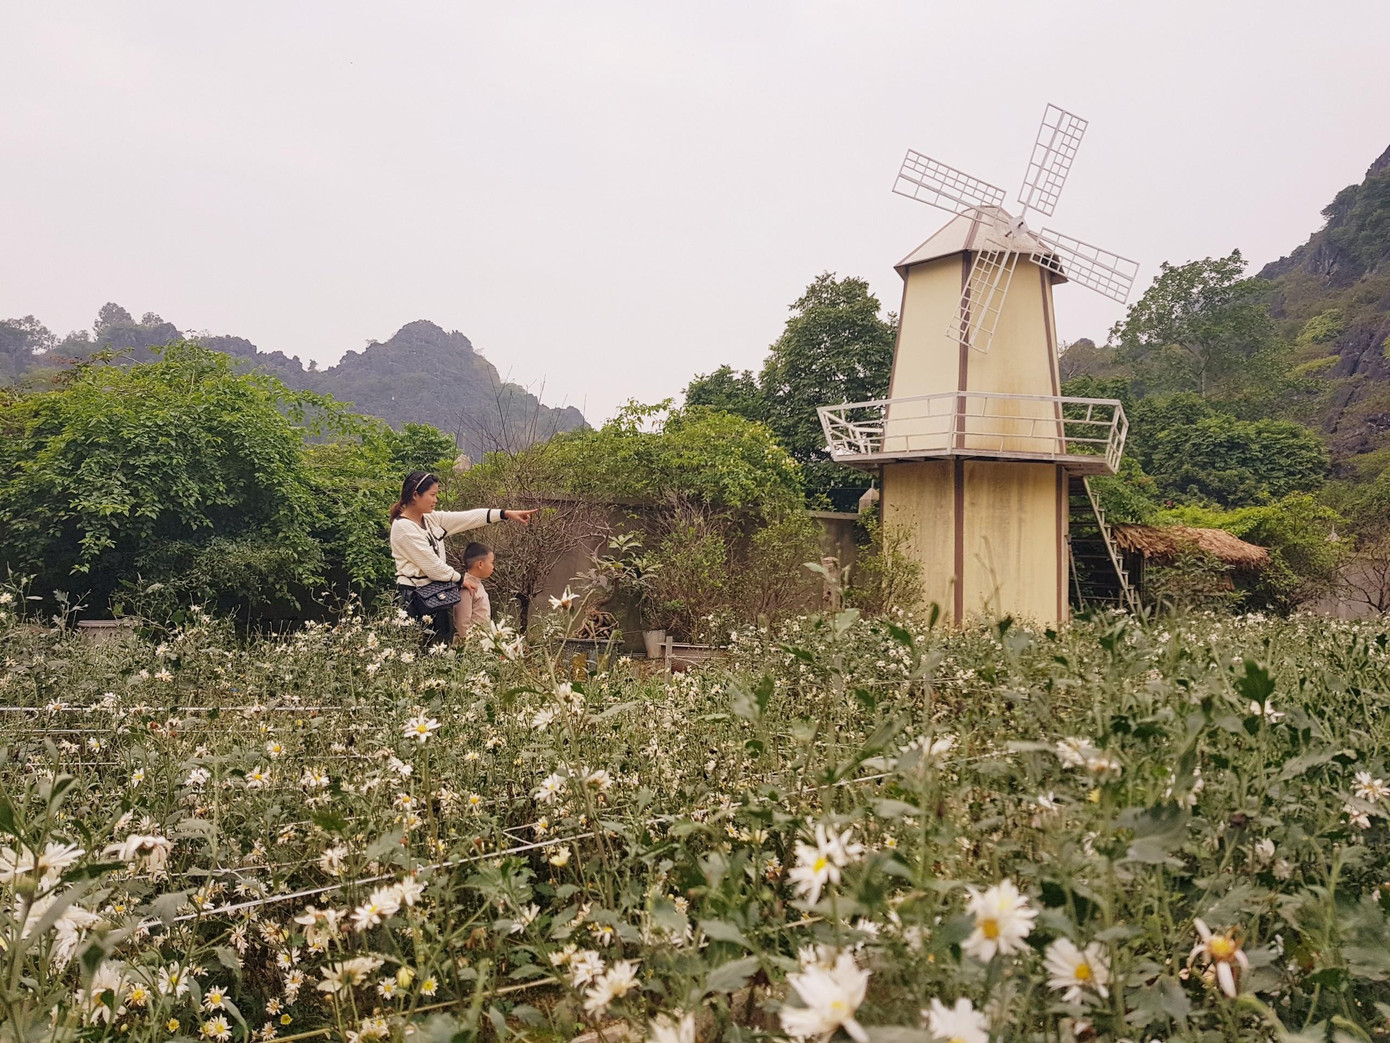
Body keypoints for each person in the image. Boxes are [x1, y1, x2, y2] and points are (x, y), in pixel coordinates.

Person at [388, 471, 533, 644]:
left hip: (434, 596)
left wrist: (505, 514)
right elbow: (432, 566)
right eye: (432, 495)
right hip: (413, 599)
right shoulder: (403, 527)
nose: (436, 500)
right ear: (415, 495)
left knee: (438, 652)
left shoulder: (431, 519)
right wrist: (460, 579)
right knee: (416, 652)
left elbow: (468, 518)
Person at [452, 542, 494, 642]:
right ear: (480, 564)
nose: (493, 567)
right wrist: (469, 647)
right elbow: (462, 623)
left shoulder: (478, 584)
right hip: (470, 646)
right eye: (492, 562)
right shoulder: (467, 587)